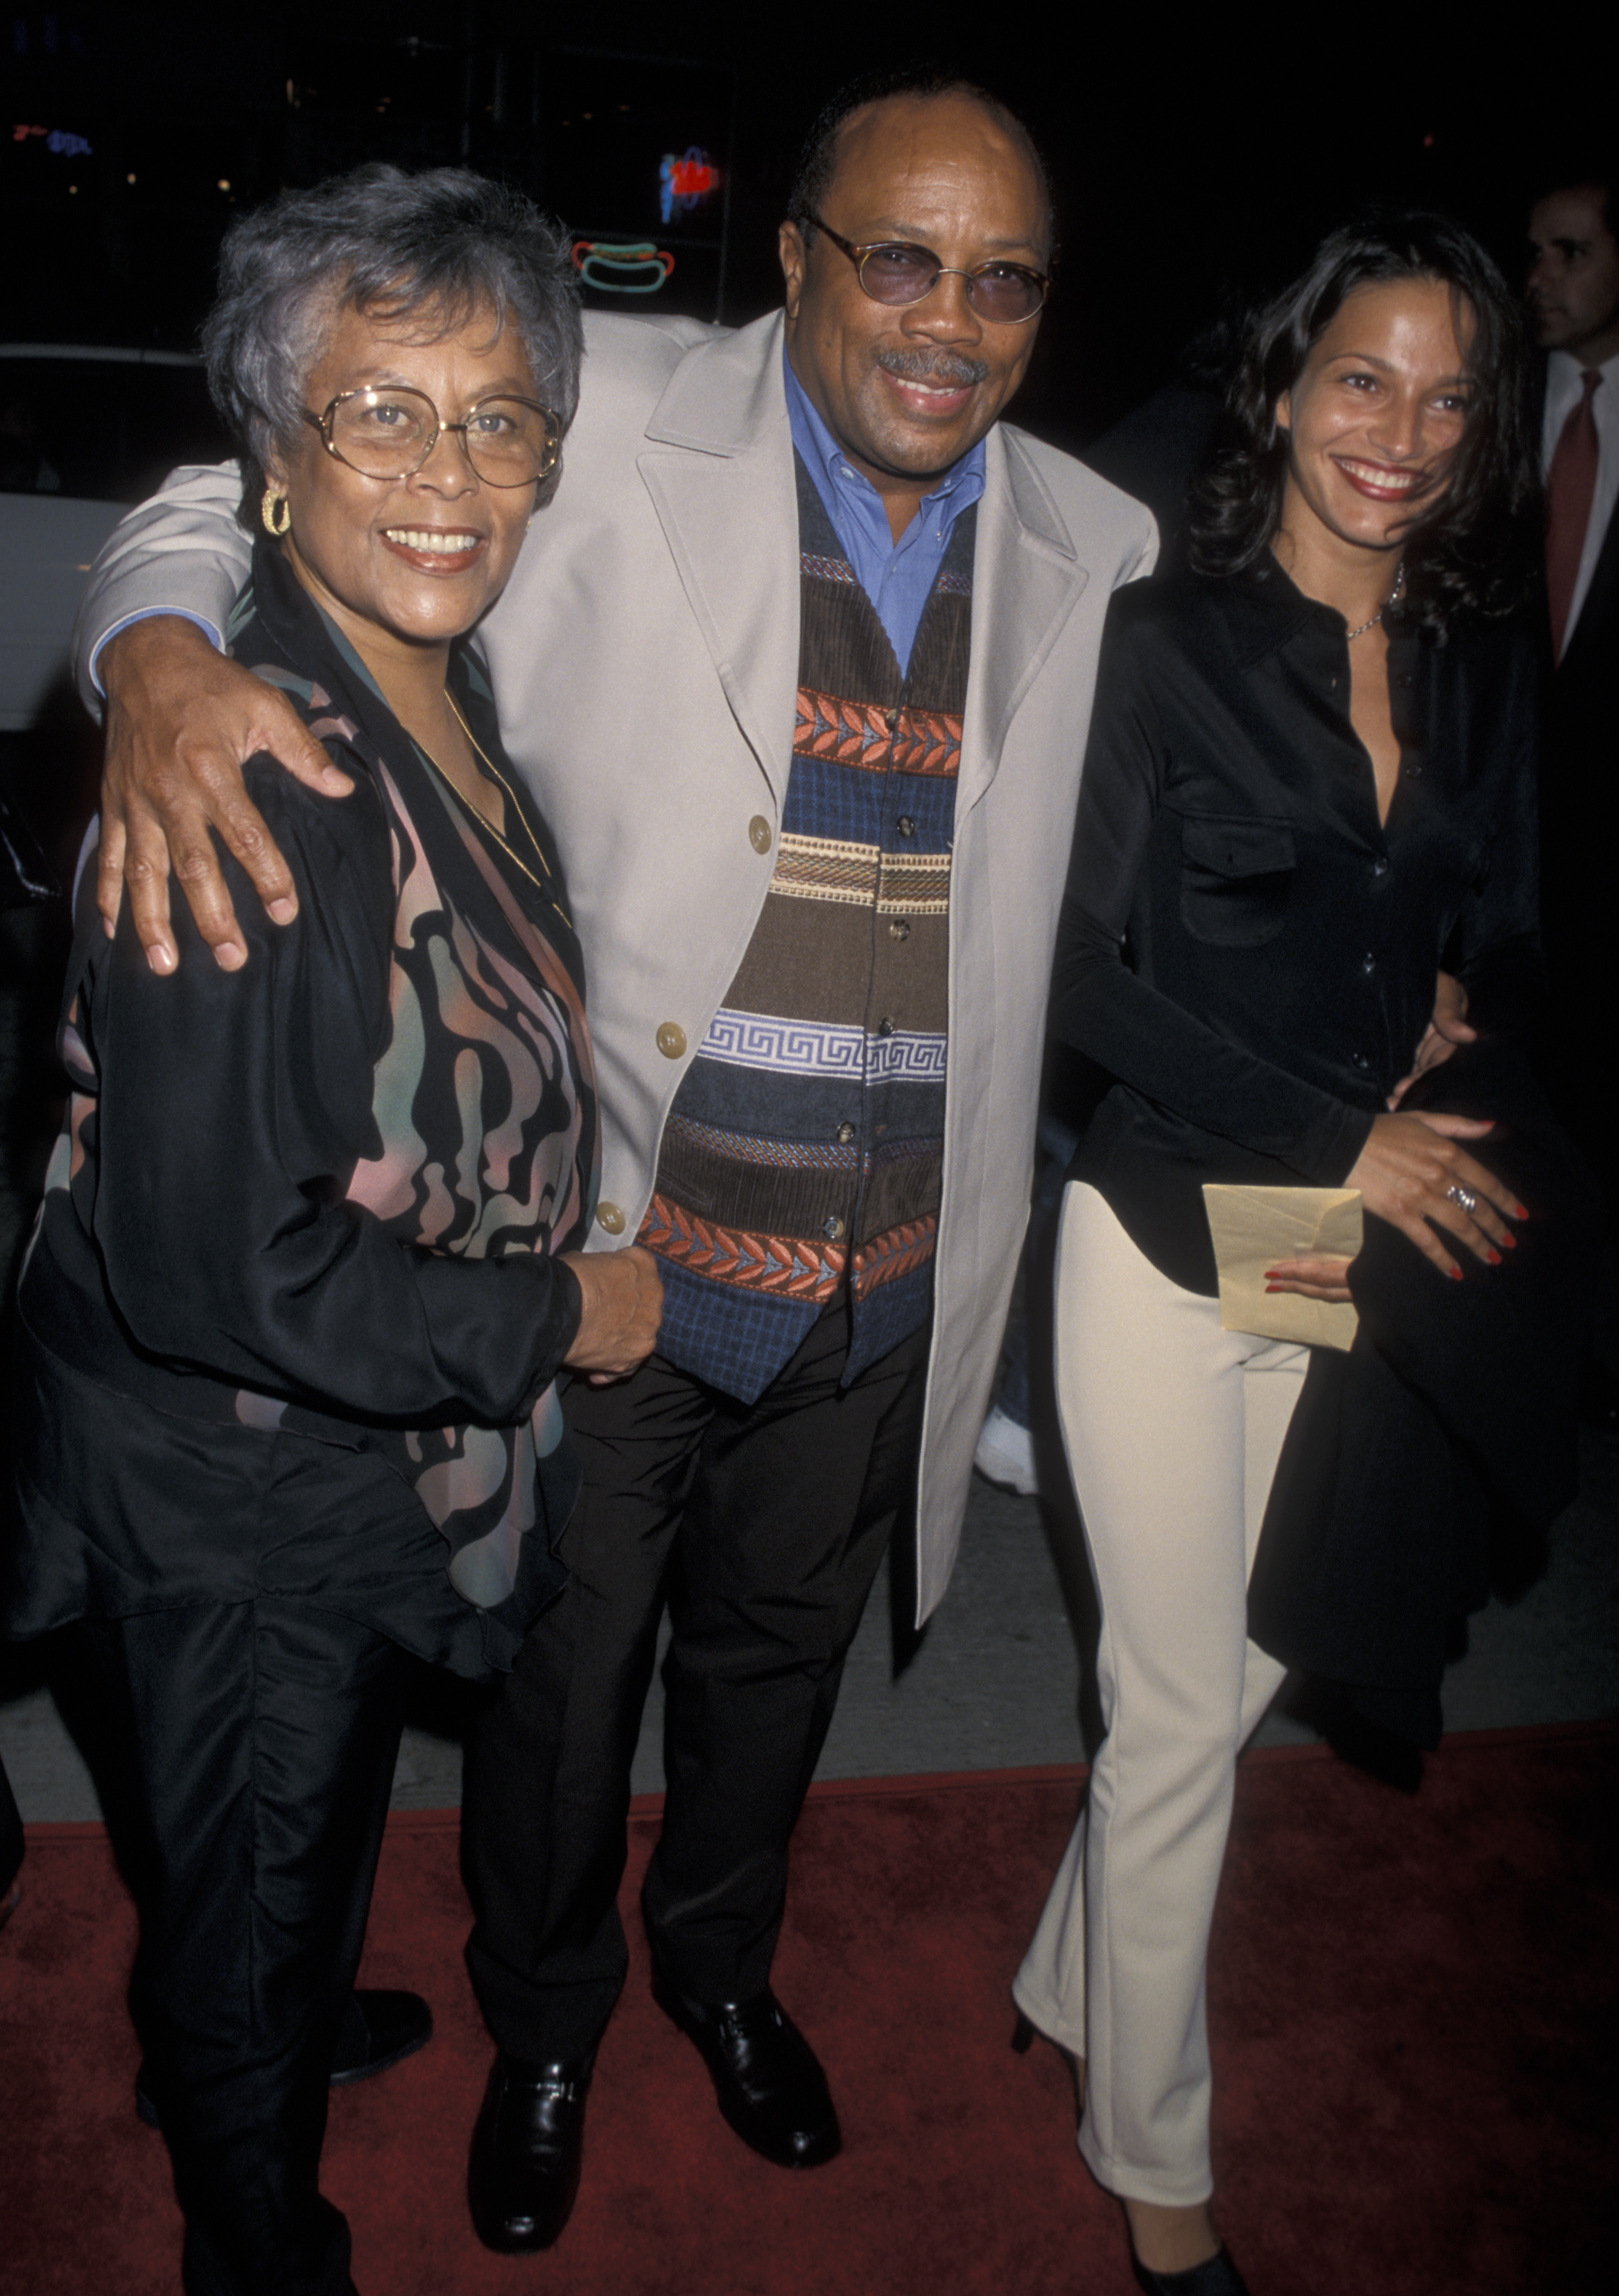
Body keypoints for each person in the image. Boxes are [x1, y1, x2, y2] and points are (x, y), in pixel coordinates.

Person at [70, 70, 1157, 2252]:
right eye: (897, 257)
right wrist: (155, 660)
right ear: (796, 258)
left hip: (885, 1272)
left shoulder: (1099, 546)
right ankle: (546, 2018)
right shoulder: (585, 414)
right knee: (558, 1705)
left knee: (770, 1683)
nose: (942, 317)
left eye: (1001, 277)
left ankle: (719, 1974)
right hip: (613, 1247)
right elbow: (255, 465)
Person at [4, 166, 662, 2295]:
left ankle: (264, 2011)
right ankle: (253, 2222)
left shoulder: (422, 674)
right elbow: (232, 1274)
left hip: (343, 1465)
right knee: (252, 1889)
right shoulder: (263, 778)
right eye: (381, 411)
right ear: (266, 460)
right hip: (237, 1487)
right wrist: (562, 1307)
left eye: (494, 418)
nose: (448, 472)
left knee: (294, 1841)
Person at [1009, 215, 1546, 2292]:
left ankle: (1070, 1974)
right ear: (1281, 387)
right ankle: (1156, 2173)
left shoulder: (1478, 669)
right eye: (1358, 379)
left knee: (1228, 1670)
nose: (1395, 433)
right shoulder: (1163, 646)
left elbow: (1500, 920)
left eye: (1442, 395)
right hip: (1161, 1230)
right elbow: (1080, 975)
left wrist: (1451, 1008)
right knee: (1164, 1716)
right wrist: (1346, 1122)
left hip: (1309, 1249)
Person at [1525, 167, 1619, 1381]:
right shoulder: (1483, 400)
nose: (1538, 277)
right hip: (1483, 824)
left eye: (1568, 253)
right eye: (1531, 252)